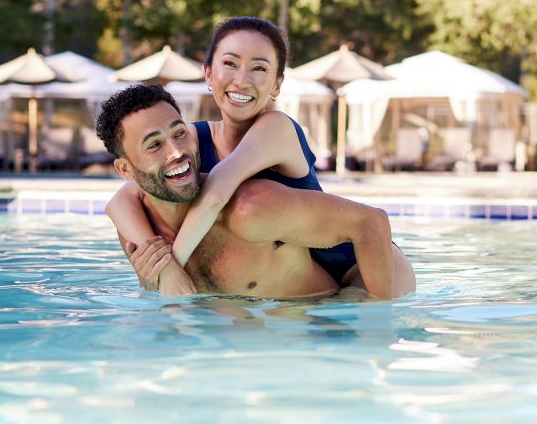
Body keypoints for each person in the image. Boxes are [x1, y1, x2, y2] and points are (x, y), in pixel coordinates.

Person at [103, 17, 358, 294]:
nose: (241, 80)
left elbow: (214, 197)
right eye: (230, 64)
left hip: (354, 267)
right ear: (209, 74)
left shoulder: (277, 128)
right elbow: (123, 198)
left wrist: (170, 269)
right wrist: (164, 269)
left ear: (276, 84)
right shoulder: (186, 138)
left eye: (259, 68)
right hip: (305, 277)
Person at [96, 82, 415, 299]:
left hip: (324, 327)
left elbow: (372, 222)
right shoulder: (139, 236)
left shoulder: (250, 208)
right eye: (154, 144)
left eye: (180, 133)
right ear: (125, 169)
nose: (176, 151)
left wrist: (376, 326)